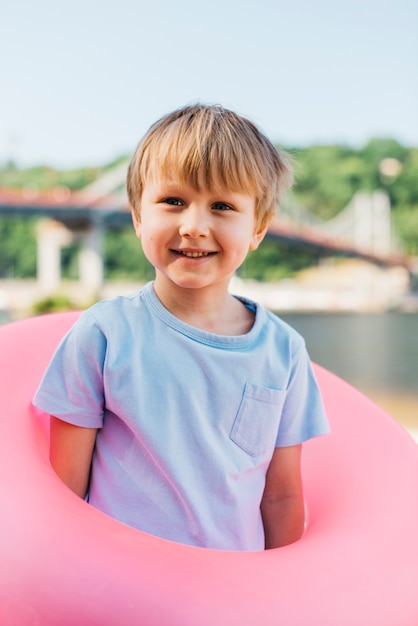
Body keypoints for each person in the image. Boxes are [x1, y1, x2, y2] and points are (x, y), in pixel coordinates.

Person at [33, 104, 329, 551]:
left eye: (223, 206)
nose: (194, 226)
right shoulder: (103, 335)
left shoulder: (284, 351)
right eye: (173, 201)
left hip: (229, 599)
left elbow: (282, 495)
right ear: (137, 215)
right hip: (121, 594)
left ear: (259, 229)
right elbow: (64, 493)